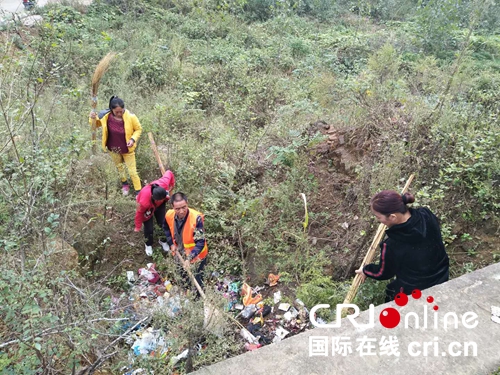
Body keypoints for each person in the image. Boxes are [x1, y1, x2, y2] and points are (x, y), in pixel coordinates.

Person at [355, 190, 449, 302]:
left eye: (379, 217)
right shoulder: (426, 214)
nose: (378, 221)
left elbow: (383, 273)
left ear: (393, 217)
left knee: (393, 298)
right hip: (441, 275)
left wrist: (366, 270)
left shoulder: (391, 244)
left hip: (415, 290)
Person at [89, 96, 142, 196]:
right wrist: (92, 117)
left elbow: (138, 129)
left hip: (127, 149)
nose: (119, 113)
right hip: (113, 148)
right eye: (117, 112)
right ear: (111, 109)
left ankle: (138, 192)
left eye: (121, 111)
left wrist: (132, 139)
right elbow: (95, 125)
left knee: (133, 172)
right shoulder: (105, 116)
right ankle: (125, 185)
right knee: (120, 168)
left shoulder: (130, 117)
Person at [163, 192, 208, 293]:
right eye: (177, 209)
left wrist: (189, 258)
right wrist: (171, 243)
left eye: (184, 207)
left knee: (197, 282)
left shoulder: (196, 218)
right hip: (179, 254)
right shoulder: (169, 215)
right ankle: (186, 294)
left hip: (196, 257)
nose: (181, 211)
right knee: (183, 278)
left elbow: (200, 242)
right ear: (172, 207)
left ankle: (198, 302)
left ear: (187, 203)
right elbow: (166, 228)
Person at [135, 170, 176, 256]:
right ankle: (148, 244)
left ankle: (163, 240)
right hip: (148, 208)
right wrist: (138, 226)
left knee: (163, 223)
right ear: (154, 197)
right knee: (149, 228)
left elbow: (169, 172)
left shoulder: (163, 183)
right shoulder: (143, 202)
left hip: (159, 205)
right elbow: (139, 213)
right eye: (160, 199)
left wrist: (172, 184)